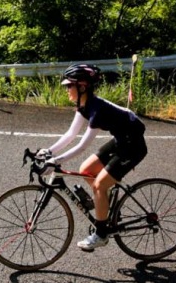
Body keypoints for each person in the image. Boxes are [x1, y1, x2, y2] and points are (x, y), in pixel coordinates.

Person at [37, 64, 147, 251]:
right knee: (85, 171)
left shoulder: (96, 109)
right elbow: (71, 134)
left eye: (69, 86)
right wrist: (49, 151)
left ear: (82, 87)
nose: (66, 90)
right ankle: (105, 202)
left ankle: (101, 234)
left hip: (133, 146)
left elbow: (82, 146)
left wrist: (56, 161)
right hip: (121, 140)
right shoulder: (83, 106)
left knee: (99, 185)